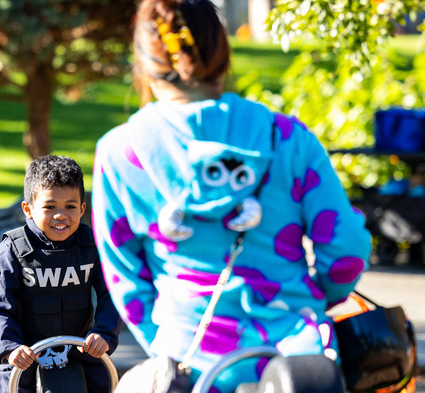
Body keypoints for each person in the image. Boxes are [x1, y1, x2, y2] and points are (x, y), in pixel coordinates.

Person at [90, 0, 372, 391]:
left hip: (187, 363)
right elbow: (346, 251)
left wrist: (163, 336)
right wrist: (307, 303)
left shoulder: (120, 153)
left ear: (145, 63)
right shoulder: (286, 138)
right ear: (222, 54)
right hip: (296, 361)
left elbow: (123, 275)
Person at [0, 155, 122, 393]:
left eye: (70, 206)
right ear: (28, 209)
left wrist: (103, 333)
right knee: (11, 383)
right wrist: (9, 346)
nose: (61, 215)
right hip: (25, 350)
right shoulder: (15, 248)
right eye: (49, 207)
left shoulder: (91, 244)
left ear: (82, 208)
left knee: (103, 381)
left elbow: (113, 291)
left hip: (79, 346)